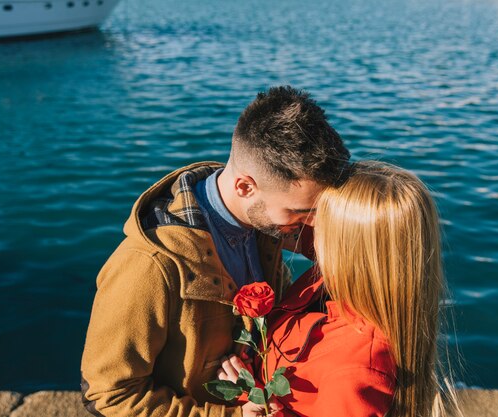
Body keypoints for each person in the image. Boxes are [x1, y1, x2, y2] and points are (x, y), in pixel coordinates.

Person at [80, 86, 350, 417]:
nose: (311, 223)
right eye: (300, 212)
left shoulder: (266, 219)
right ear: (245, 187)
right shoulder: (149, 266)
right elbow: (108, 396)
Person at [218, 161, 459, 417]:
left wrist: (251, 395)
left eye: (318, 221)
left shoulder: (357, 368)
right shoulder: (344, 284)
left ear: (347, 249)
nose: (307, 224)